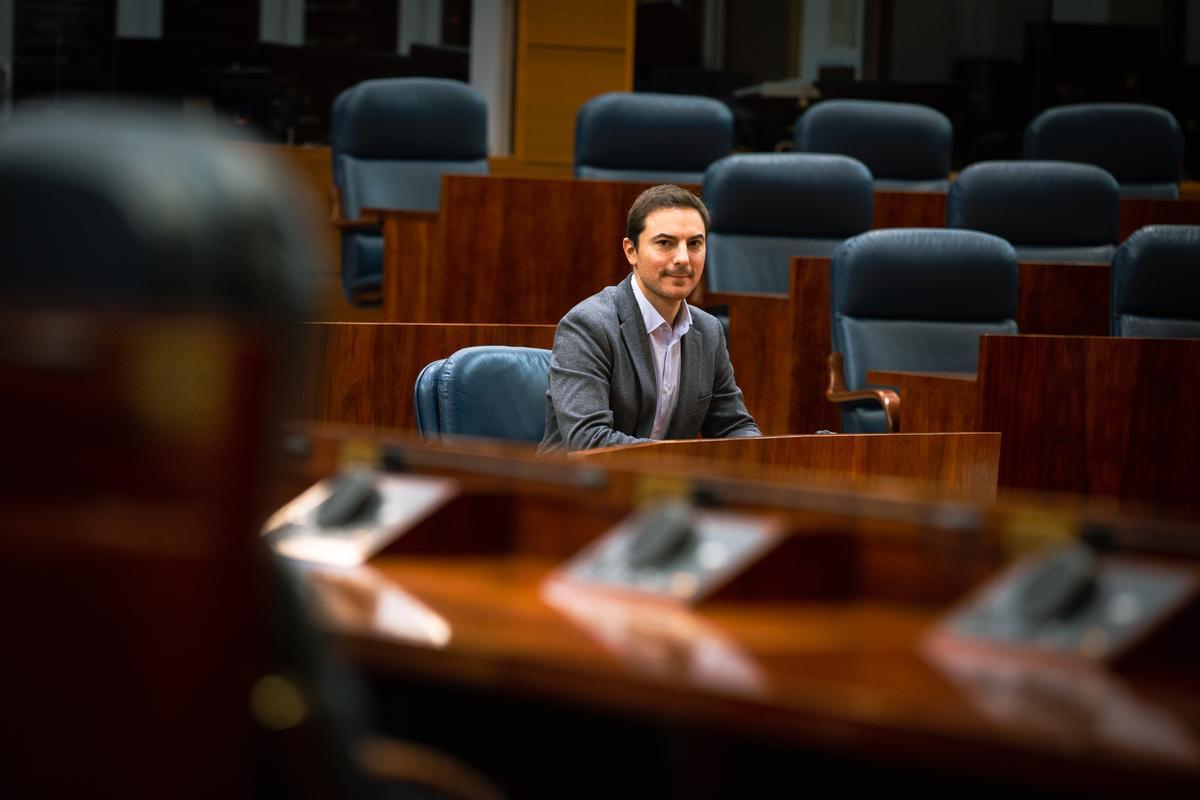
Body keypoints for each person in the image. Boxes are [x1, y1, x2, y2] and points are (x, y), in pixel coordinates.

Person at [538, 184, 761, 453]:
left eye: (694, 244)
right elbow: (589, 441)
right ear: (631, 251)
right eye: (665, 243)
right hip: (580, 489)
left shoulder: (708, 330)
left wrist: (760, 455)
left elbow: (733, 426)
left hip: (661, 491)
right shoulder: (588, 326)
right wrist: (685, 463)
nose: (682, 258)